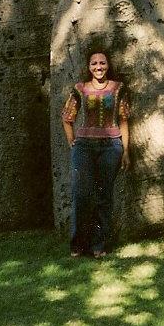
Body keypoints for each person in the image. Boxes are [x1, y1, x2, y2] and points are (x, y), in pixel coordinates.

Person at [61, 50, 130, 257]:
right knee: (81, 195)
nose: (98, 67)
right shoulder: (80, 89)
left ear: (108, 65)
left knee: (103, 197)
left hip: (111, 147)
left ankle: (99, 246)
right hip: (84, 148)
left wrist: (126, 151)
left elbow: (124, 120)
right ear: (88, 66)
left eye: (102, 63)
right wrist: (72, 140)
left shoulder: (118, 89)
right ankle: (78, 245)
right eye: (94, 63)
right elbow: (67, 117)